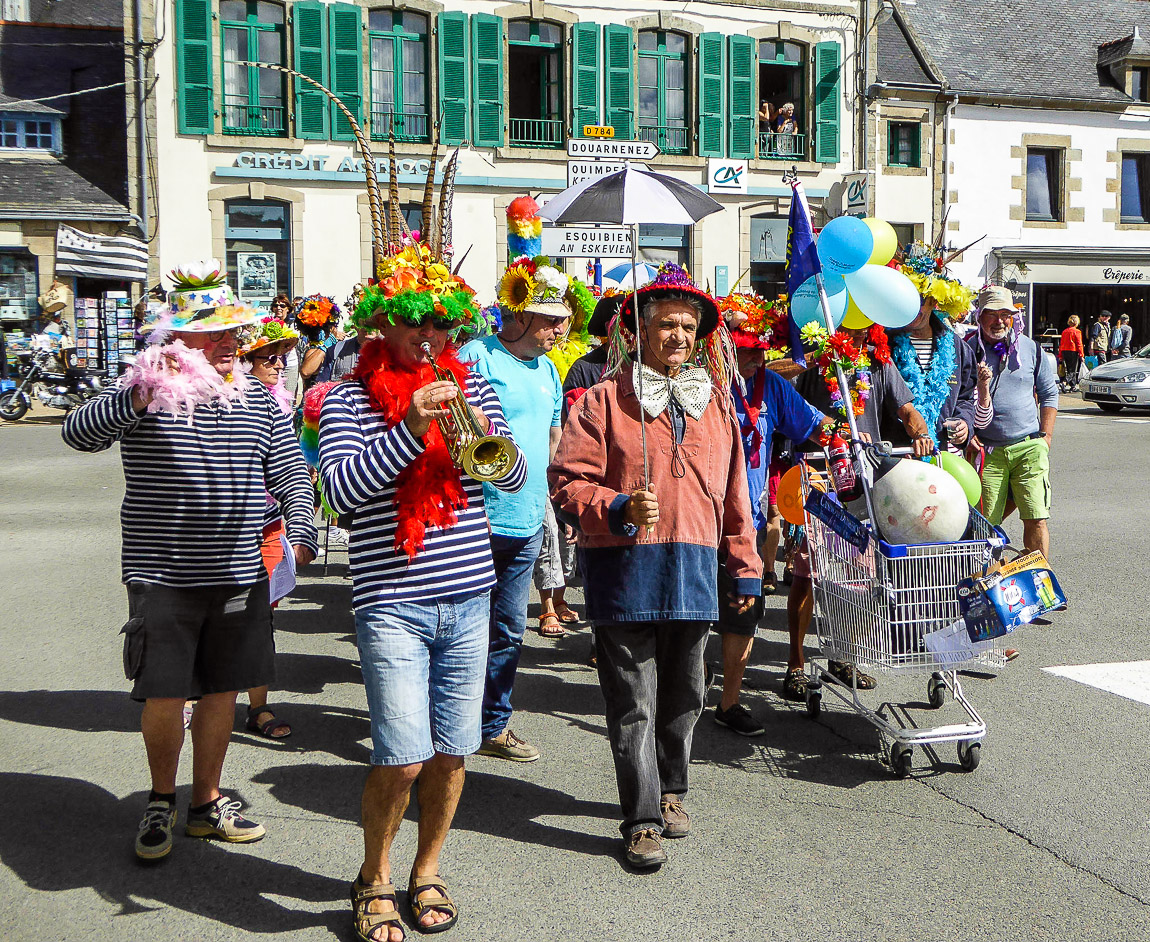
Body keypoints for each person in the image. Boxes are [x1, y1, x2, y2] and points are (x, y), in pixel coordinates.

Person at [61, 273, 318, 862]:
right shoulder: (145, 385)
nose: (229, 341)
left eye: (232, 329)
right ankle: (160, 799)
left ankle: (204, 803)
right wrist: (138, 395)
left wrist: (300, 531)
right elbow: (78, 434)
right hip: (163, 572)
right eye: (211, 332)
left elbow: (289, 474)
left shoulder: (257, 396)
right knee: (165, 693)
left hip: (237, 572)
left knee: (223, 690)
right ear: (177, 338)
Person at [317, 246, 527, 941]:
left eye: (441, 324)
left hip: (470, 595)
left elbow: (511, 479)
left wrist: (485, 439)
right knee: (401, 754)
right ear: (384, 325)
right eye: (415, 324)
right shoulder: (348, 397)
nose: (429, 337)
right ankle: (373, 875)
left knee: (450, 752)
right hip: (392, 600)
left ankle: (426, 869)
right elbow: (341, 492)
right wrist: (410, 427)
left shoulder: (477, 389)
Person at [550, 264, 761, 870]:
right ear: (639, 331)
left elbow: (736, 493)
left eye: (688, 328)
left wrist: (743, 567)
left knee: (686, 695)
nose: (678, 338)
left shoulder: (716, 401)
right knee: (633, 701)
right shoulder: (601, 400)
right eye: (666, 325)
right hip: (626, 571)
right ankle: (641, 817)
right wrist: (615, 504)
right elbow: (566, 482)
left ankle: (673, 792)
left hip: (694, 569)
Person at [459, 258, 570, 759]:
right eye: (549, 319)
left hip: (526, 518)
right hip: (475, 519)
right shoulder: (476, 355)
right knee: (462, 632)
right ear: (518, 316)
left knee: (508, 630)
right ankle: (453, 726)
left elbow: (553, 438)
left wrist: (555, 504)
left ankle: (493, 725)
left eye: (560, 318)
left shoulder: (549, 369)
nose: (558, 328)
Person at [786, 323, 932, 701]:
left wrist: (919, 432)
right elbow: (789, 399)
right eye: (851, 325)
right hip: (819, 474)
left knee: (854, 575)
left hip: (862, 480)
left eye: (865, 326)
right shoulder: (817, 361)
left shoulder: (879, 364)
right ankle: (796, 664)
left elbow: (907, 408)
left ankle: (842, 656)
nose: (858, 334)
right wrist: (836, 434)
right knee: (808, 574)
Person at [717, 296, 829, 737]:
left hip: (748, 516)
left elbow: (811, 425)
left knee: (745, 604)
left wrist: (842, 434)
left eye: (759, 350)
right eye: (744, 349)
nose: (752, 358)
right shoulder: (702, 380)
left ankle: (729, 700)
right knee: (692, 611)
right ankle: (680, 691)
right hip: (698, 512)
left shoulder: (773, 386)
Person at [236, 317, 302, 740]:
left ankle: (257, 708)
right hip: (224, 529)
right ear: (245, 363)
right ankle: (188, 698)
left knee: (260, 619)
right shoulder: (232, 402)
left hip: (268, 525)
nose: (280, 366)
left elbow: (290, 467)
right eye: (269, 359)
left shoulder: (279, 402)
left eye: (283, 358)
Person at [967, 285, 1059, 559]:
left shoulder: (1031, 349)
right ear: (980, 316)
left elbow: (1049, 393)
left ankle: (1040, 580)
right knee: (985, 525)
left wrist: (1047, 437)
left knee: (1036, 517)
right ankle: (990, 585)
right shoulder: (966, 350)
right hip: (987, 451)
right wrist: (968, 431)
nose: (999, 321)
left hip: (1029, 447)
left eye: (1005, 314)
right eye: (992, 314)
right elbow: (956, 397)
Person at [884, 253, 980, 450]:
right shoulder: (884, 344)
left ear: (932, 300)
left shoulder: (957, 347)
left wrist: (964, 424)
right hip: (896, 454)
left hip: (941, 455)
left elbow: (966, 398)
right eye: (905, 298)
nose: (912, 307)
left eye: (918, 299)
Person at [295, 294, 341, 391]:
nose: (335, 329)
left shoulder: (337, 348)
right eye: (330, 328)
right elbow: (305, 372)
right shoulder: (313, 350)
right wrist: (327, 344)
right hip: (315, 401)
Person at [1059, 315, 1084, 391]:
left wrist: (1060, 355)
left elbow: (1061, 343)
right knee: (1072, 370)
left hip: (1064, 351)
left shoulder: (1064, 331)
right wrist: (1081, 354)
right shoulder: (1077, 332)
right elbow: (1079, 344)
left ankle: (1072, 385)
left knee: (1068, 368)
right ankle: (1064, 382)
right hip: (1073, 351)